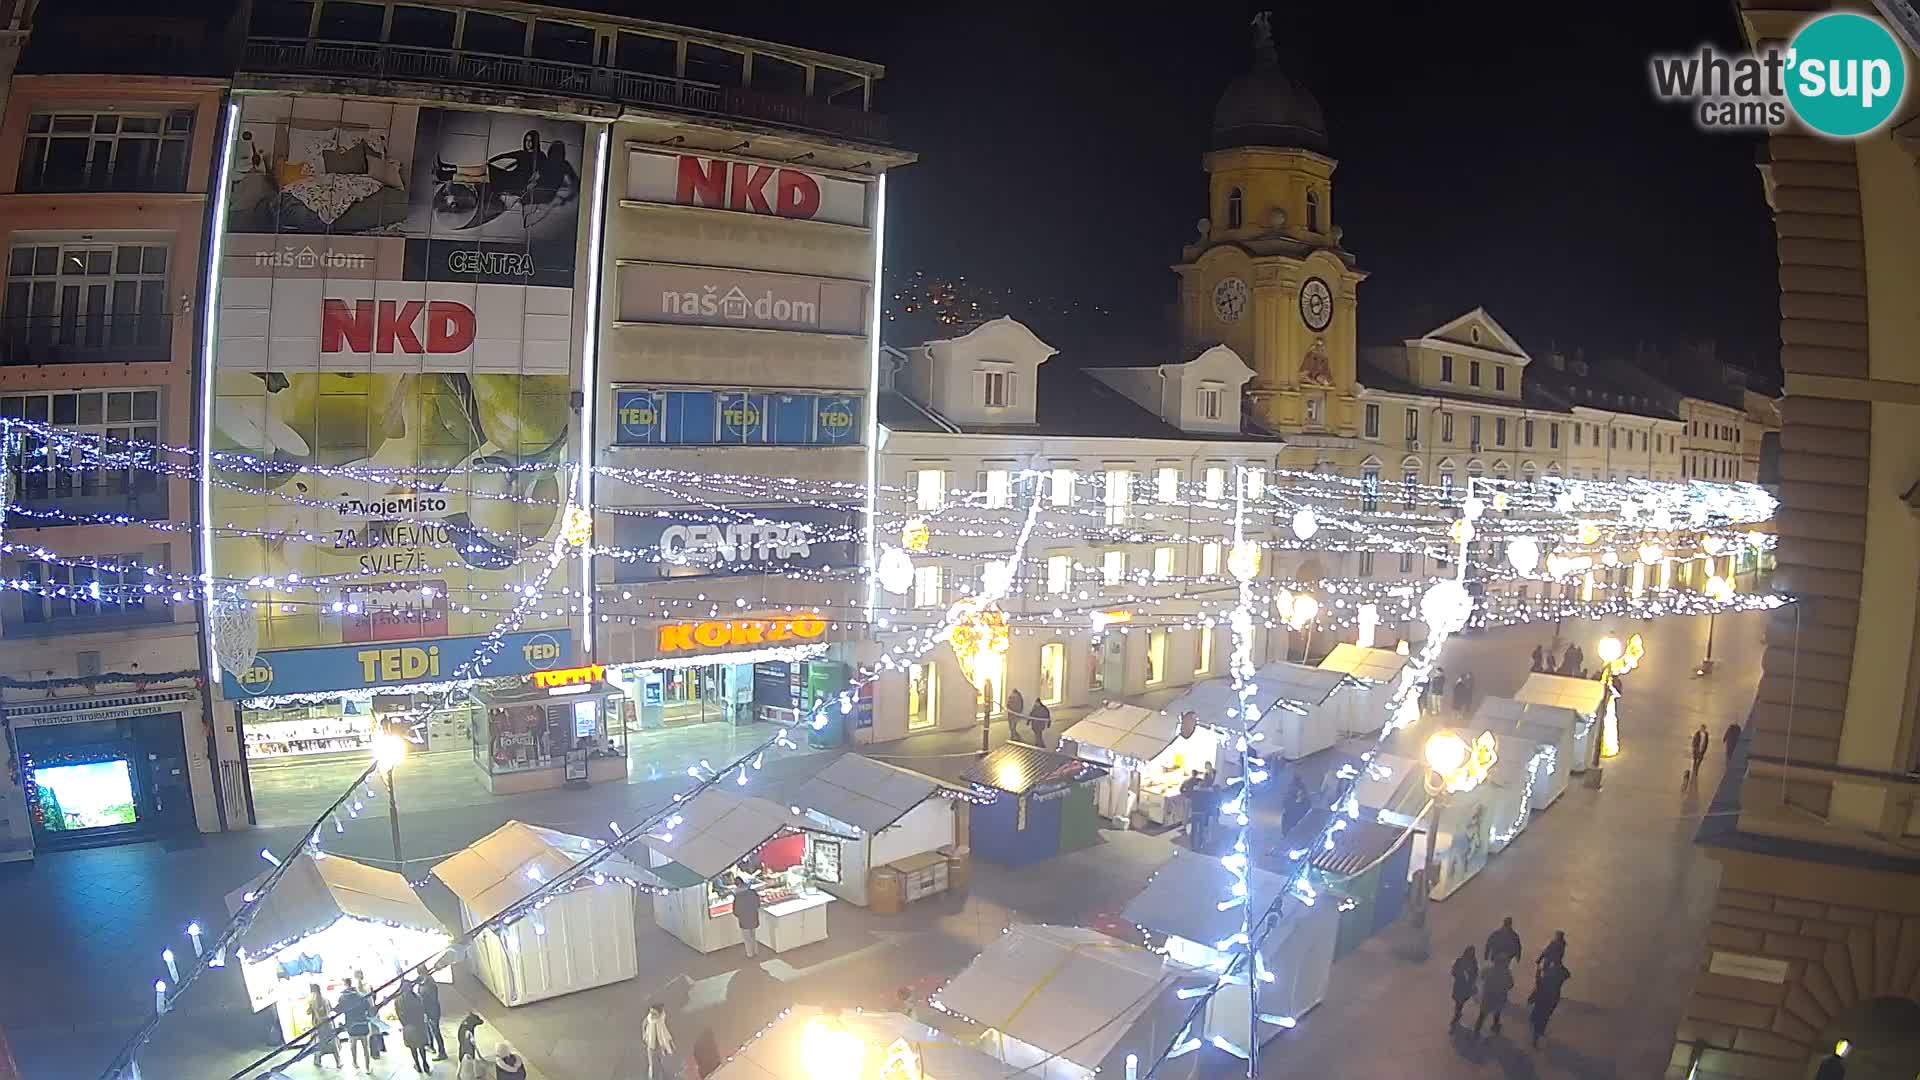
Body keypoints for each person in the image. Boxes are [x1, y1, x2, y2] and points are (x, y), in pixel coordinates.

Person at [1527, 959, 1572, 1047]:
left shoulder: (1548, 976)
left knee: (1538, 1016)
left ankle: (1535, 1036)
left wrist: (1538, 974)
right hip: (1552, 999)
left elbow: (1539, 985)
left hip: (1542, 998)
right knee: (1544, 1017)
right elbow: (1567, 974)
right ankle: (1538, 1033)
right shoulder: (1560, 977)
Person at [338, 974, 374, 1071]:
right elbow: (368, 1008)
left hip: (351, 1026)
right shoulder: (361, 996)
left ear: (345, 984)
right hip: (363, 1025)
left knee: (353, 1046)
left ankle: (355, 1063)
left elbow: (339, 1010)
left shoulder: (342, 998)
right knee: (366, 1048)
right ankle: (367, 1067)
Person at [397, 981, 431, 1073]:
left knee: (413, 1047)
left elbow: (399, 1015)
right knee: (421, 1046)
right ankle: (425, 1063)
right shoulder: (417, 998)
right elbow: (422, 1010)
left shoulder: (399, 1000)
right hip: (419, 1025)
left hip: (408, 1026)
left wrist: (404, 1025)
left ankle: (418, 1065)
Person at [1474, 957, 1514, 1036]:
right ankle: (1495, 1028)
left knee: (1482, 1015)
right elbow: (1511, 984)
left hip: (1488, 995)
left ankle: (1476, 1030)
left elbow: (1482, 976)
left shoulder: (1488, 970)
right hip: (1499, 996)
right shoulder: (1506, 972)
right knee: (1497, 1013)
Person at [305, 984, 342, 1069]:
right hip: (328, 1024)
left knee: (319, 1043)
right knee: (332, 1043)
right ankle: (338, 1062)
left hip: (319, 1026)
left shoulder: (314, 1001)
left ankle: (318, 1060)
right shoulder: (325, 999)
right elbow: (330, 1010)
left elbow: (309, 1013)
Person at [641, 1003, 676, 1080]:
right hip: (651, 1043)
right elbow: (644, 1023)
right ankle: (652, 1075)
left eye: (654, 1013)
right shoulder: (649, 1018)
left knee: (662, 1062)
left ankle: (663, 1074)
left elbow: (665, 1032)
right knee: (652, 1063)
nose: (652, 1014)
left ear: (659, 1014)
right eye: (651, 1012)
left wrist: (671, 1042)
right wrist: (644, 1033)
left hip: (660, 1045)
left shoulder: (661, 1021)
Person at [417, 972, 446, 1060]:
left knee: (436, 1032)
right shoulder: (428, 984)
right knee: (430, 1030)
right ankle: (431, 1046)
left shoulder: (428, 987)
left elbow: (429, 1000)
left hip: (432, 1012)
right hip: (431, 1011)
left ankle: (442, 1052)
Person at [1449, 946, 1479, 1030]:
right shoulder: (1461, 961)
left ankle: (1457, 1015)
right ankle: (1456, 1017)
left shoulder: (1473, 963)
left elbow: (1475, 974)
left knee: (1460, 1002)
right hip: (1460, 986)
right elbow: (1454, 972)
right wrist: (1461, 975)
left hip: (1464, 988)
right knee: (1459, 1002)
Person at [732, 878, 763, 959]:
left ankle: (750, 953)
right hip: (753, 916)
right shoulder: (752, 892)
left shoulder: (737, 897)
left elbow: (735, 911)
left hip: (743, 919)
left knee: (747, 937)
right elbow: (758, 904)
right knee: (753, 935)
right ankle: (756, 951)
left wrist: (739, 916)